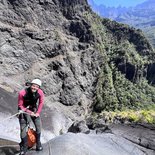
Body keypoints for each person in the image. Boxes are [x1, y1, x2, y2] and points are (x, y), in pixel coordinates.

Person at [18, 79, 44, 155]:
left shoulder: (40, 92)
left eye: (36, 86)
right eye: (33, 86)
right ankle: (24, 146)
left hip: (33, 107)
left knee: (38, 125)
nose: (34, 88)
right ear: (30, 85)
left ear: (39, 87)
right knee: (23, 128)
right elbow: (20, 105)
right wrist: (30, 112)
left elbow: (41, 102)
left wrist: (38, 112)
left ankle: (38, 143)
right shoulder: (22, 93)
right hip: (23, 110)